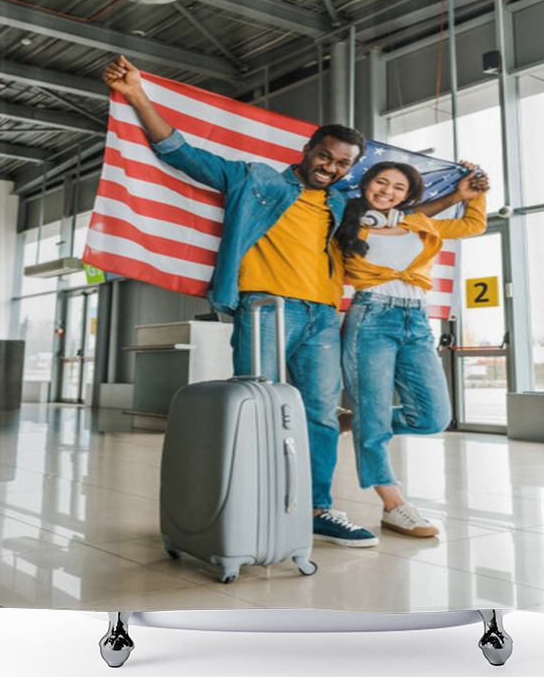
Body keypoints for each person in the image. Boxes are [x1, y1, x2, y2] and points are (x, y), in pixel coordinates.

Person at [100, 55, 477, 547]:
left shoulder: (345, 204)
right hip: (266, 309)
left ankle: (318, 508)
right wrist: (137, 95)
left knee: (320, 415)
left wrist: (457, 196)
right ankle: (256, 505)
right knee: (260, 406)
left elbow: (403, 215)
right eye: (325, 156)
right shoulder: (257, 180)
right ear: (308, 149)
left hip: (323, 317)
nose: (331, 167)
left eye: (343, 163)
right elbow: (180, 153)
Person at [335, 160, 488, 538]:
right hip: (370, 318)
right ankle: (394, 506)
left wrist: (473, 194)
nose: (388, 191)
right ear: (366, 185)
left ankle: (354, 420)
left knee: (433, 416)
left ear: (408, 195)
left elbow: (473, 224)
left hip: (416, 321)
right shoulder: (345, 222)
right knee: (374, 424)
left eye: (398, 188)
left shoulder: (417, 223)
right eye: (381, 183)